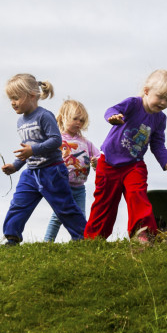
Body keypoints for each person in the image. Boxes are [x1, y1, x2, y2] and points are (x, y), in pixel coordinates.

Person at [84, 69, 167, 242]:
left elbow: (158, 144)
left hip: (134, 165)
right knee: (105, 202)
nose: (163, 102)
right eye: (160, 96)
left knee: (138, 196)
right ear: (146, 91)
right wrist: (112, 117)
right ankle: (94, 238)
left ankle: (142, 235)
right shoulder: (133, 104)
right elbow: (112, 109)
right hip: (109, 162)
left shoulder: (160, 119)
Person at [1, 75, 86, 245]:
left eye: (16, 98)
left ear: (32, 95)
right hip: (31, 173)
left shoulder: (44, 116)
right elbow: (28, 148)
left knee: (64, 207)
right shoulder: (20, 122)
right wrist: (16, 166)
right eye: (11, 99)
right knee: (18, 204)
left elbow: (56, 141)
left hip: (52, 170)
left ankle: (84, 236)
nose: (12, 102)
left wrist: (33, 149)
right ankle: (12, 238)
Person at [44, 99, 100, 242]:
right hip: (62, 186)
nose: (78, 123)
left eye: (81, 120)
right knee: (58, 216)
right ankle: (47, 242)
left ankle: (79, 241)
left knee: (80, 215)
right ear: (63, 117)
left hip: (80, 187)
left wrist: (96, 161)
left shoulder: (86, 143)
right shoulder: (57, 139)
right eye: (75, 119)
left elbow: (99, 157)